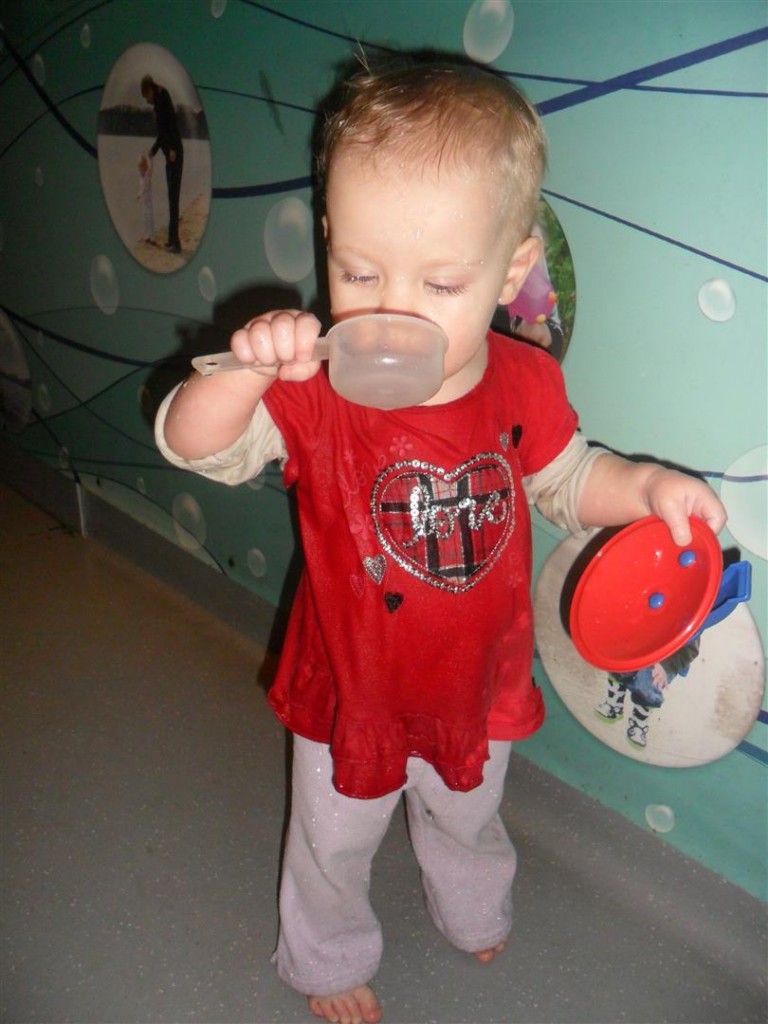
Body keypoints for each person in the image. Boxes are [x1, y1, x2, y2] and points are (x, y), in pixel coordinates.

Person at [154, 55, 726, 1024]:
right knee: (332, 839)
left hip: (479, 678)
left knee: (468, 812)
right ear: (329, 238)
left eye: (442, 282)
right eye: (359, 270)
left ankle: (472, 904)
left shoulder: (522, 384)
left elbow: (568, 479)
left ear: (508, 272)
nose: (390, 311)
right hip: (350, 687)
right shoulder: (312, 387)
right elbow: (187, 442)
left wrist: (648, 487)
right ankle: (325, 955)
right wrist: (243, 373)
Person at [140, 74, 183, 253]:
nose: (146, 101)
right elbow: (162, 132)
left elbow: (171, 123)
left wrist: (172, 148)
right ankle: (172, 240)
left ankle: (175, 243)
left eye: (145, 97)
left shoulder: (162, 96)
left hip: (175, 154)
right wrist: (153, 150)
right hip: (168, 155)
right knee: (170, 198)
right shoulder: (158, 100)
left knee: (173, 199)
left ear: (149, 90)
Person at [136, 150, 155, 244]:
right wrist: (139, 194)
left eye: (142, 168)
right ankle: (147, 235)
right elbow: (141, 188)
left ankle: (152, 237)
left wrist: (151, 159)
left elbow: (151, 168)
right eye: (139, 168)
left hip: (148, 201)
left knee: (150, 217)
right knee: (145, 217)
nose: (141, 170)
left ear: (145, 167)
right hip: (144, 201)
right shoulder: (141, 177)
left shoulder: (147, 175)